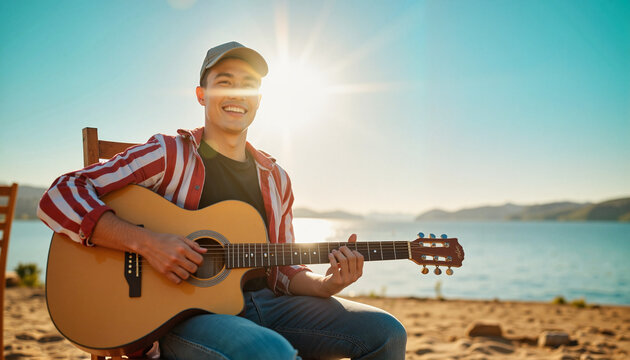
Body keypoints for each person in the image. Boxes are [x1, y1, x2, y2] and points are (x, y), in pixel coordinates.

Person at [38, 41, 407, 360]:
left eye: (248, 86)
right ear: (202, 94)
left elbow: (284, 270)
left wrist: (326, 285)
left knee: (387, 332)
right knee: (269, 353)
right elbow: (59, 195)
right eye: (224, 82)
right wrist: (148, 244)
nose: (237, 94)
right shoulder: (167, 154)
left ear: (259, 100)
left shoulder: (275, 178)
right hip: (183, 319)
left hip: (268, 307)